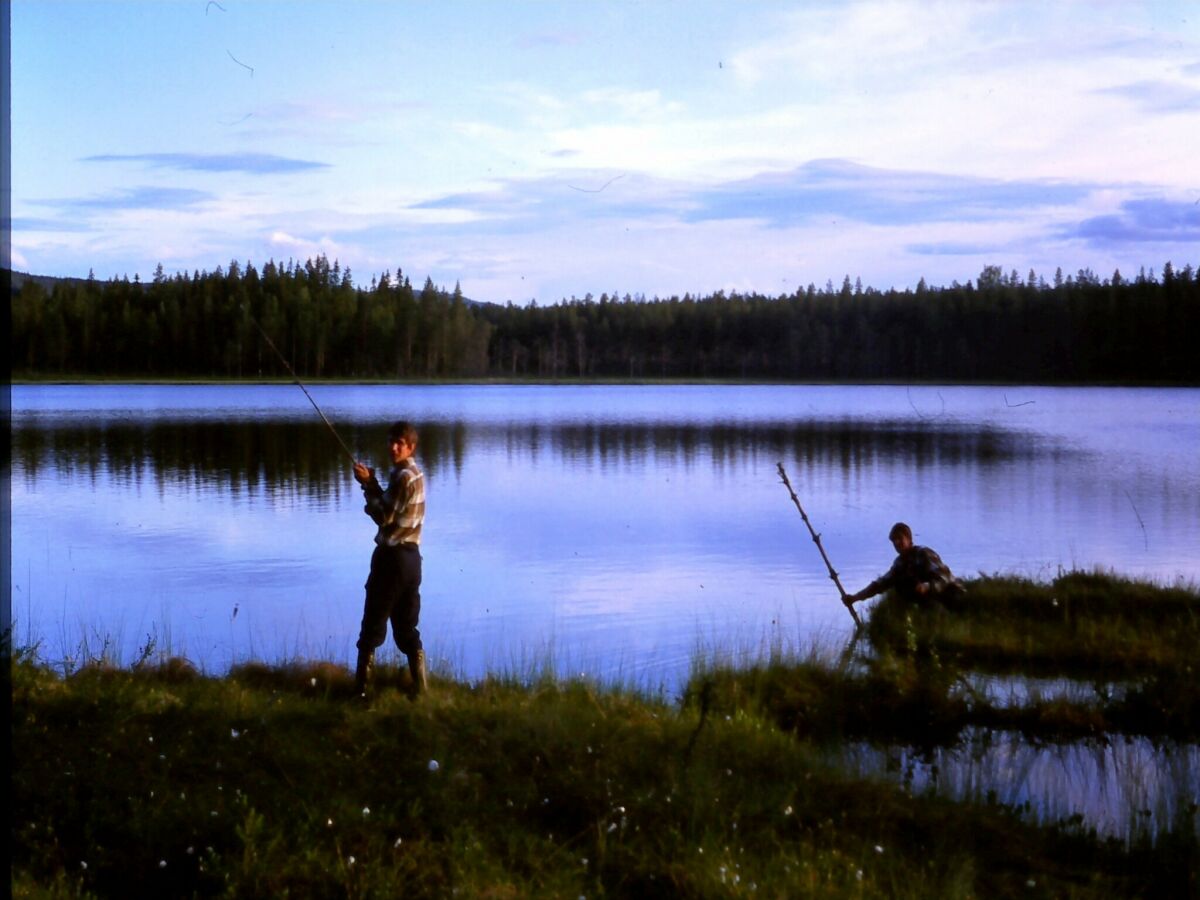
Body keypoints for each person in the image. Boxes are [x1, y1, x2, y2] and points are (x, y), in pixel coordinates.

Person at [352, 420, 427, 695]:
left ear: (411, 447)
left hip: (392, 560)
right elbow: (391, 505)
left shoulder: (402, 476)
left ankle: (361, 693)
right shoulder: (416, 473)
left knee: (371, 628)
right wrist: (371, 482)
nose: (394, 447)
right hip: (412, 561)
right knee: (407, 629)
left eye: (401, 443)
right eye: (391, 442)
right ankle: (420, 692)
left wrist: (367, 486)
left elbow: (383, 515)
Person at [846, 522, 963, 607]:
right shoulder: (900, 563)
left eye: (900, 539)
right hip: (933, 599)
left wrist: (927, 586)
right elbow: (880, 584)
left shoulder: (924, 553)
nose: (897, 543)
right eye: (894, 541)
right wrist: (855, 598)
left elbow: (945, 578)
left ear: (909, 539)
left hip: (952, 594)